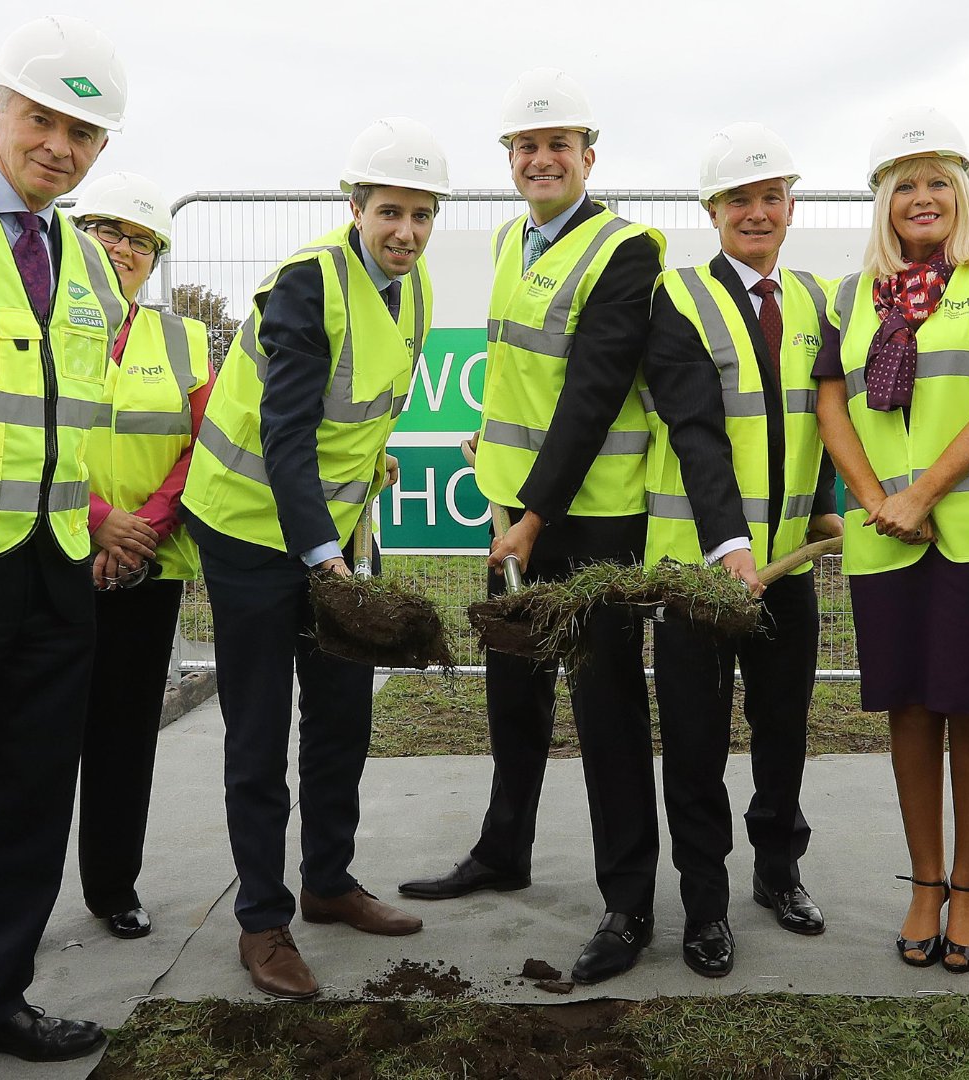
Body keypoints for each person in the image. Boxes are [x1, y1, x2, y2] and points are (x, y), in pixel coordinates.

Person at [399, 67, 665, 986]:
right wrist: (495, 471)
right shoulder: (516, 241)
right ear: (508, 161)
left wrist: (535, 516)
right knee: (513, 694)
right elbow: (519, 372)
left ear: (590, 156)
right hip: (513, 515)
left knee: (606, 710)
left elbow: (591, 397)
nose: (541, 159)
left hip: (587, 524)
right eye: (526, 146)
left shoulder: (627, 250)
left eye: (559, 145)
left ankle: (629, 902)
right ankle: (502, 850)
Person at [181, 117, 448, 999]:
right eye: (390, 213)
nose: (406, 232)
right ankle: (264, 921)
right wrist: (325, 561)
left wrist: (365, 492)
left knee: (342, 717)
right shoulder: (306, 285)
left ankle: (330, 884)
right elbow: (287, 437)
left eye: (421, 214)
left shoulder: (415, 291)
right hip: (253, 532)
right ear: (355, 206)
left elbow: (359, 413)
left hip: (336, 535)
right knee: (258, 730)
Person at [815, 106, 969, 974]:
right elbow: (832, 403)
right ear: (881, 201)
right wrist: (876, 497)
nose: (923, 197)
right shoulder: (847, 296)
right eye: (904, 184)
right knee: (909, 707)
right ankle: (925, 882)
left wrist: (925, 493)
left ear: (963, 193)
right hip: (887, 534)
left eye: (939, 181)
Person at [0, 15, 129, 1062]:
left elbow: (75, 416)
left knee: (26, 800)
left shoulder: (88, 262)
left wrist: (103, 528)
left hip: (57, 574)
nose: (60, 146)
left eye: (84, 132)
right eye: (41, 120)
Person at [642, 123, 841, 979]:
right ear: (712, 212)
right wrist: (728, 547)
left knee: (782, 730)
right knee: (693, 740)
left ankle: (778, 873)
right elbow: (694, 429)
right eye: (738, 201)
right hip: (700, 572)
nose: (756, 212)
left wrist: (828, 506)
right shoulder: (678, 296)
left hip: (788, 570)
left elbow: (827, 420)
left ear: (790, 206)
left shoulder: (817, 299)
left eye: (770, 197)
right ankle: (704, 906)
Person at [71, 172, 214, 941]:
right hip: (55, 554)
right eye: (108, 231)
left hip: (147, 564)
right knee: (37, 742)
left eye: (141, 240)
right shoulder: (42, 325)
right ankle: (4, 907)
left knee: (126, 736)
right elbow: (27, 438)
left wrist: (145, 529)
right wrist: (97, 522)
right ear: (79, 236)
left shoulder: (184, 338)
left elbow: (205, 445)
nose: (124, 249)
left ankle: (112, 889)